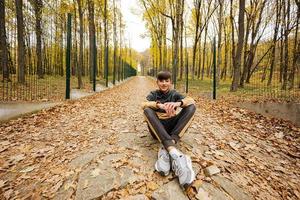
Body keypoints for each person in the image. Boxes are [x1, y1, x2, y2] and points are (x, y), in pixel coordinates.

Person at [142, 71, 196, 189]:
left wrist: (178, 103)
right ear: (157, 82)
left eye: (167, 81)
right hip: (158, 128)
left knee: (191, 107)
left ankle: (169, 149)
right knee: (147, 110)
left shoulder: (174, 93)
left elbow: (191, 100)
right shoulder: (153, 94)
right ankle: (172, 150)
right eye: (161, 81)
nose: (164, 83)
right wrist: (159, 105)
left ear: (171, 82)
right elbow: (144, 103)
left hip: (172, 129)